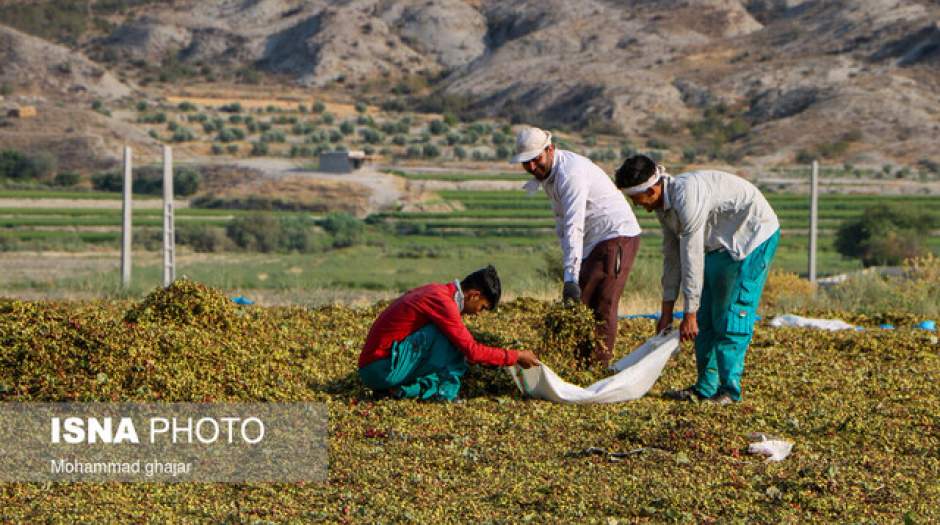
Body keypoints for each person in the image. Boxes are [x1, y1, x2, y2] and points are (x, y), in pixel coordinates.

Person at [614, 155, 780, 404]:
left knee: (732, 315)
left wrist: (688, 312)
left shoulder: (686, 196)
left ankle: (729, 391)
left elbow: (691, 255)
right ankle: (705, 388)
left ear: (651, 189)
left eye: (636, 199)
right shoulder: (663, 207)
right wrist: (667, 312)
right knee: (705, 319)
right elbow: (672, 257)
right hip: (718, 244)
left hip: (750, 239)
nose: (637, 205)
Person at [511, 127, 642, 365]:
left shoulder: (571, 174)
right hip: (593, 241)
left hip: (615, 234)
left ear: (549, 150)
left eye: (535, 160)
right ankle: (576, 362)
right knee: (580, 304)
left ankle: (595, 369)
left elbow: (574, 225)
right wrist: (573, 270)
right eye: (525, 163)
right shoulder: (549, 176)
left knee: (602, 303)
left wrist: (570, 277)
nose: (531, 168)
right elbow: (561, 225)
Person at [358, 265, 539, 401]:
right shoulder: (443, 303)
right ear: (474, 295)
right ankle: (444, 394)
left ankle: (403, 390)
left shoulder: (436, 290)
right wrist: (516, 356)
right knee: (452, 339)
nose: (478, 313)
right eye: (482, 307)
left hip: (375, 367)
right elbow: (473, 352)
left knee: (453, 335)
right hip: (380, 368)